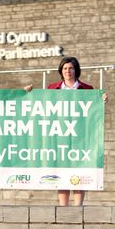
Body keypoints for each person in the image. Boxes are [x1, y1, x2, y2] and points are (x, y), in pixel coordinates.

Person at [48, 56, 107, 206]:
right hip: (60, 136)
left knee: (80, 171)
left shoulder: (87, 89)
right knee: (62, 172)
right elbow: (40, 105)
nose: (68, 71)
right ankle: (63, 208)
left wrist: (102, 100)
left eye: (71, 68)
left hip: (80, 137)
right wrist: (27, 93)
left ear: (76, 70)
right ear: (61, 71)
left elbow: (94, 111)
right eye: (65, 68)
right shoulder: (52, 88)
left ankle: (78, 208)